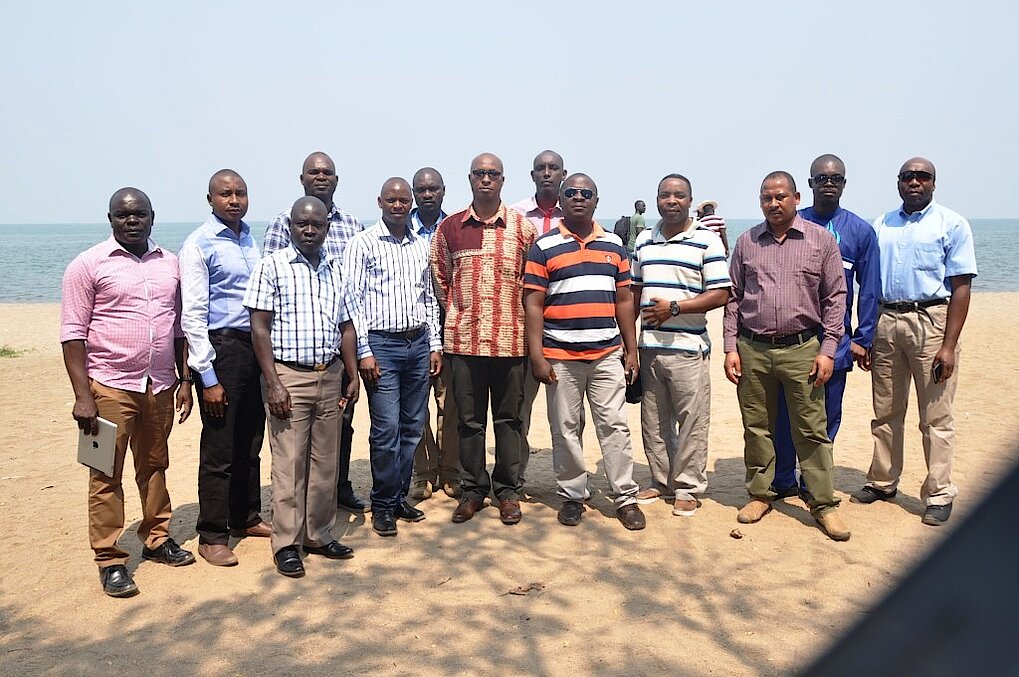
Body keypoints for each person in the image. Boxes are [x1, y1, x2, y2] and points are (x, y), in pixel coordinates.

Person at [60, 187, 195, 597]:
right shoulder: (87, 265)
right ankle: (109, 558)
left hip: (159, 385)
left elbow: (179, 329)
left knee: (154, 465)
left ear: (153, 217)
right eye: (123, 215)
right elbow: (72, 335)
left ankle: (156, 538)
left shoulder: (170, 264)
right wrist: (83, 396)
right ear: (110, 219)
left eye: (139, 214)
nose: (132, 221)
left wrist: (185, 380)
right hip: (108, 387)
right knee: (104, 473)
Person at [722, 171, 851, 541]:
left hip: (803, 349)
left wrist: (828, 351)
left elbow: (835, 299)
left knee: (810, 429)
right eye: (767, 198)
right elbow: (733, 298)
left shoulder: (820, 240)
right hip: (753, 348)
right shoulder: (747, 242)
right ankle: (761, 494)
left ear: (796, 198)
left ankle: (823, 503)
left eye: (780, 196)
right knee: (757, 426)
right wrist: (730, 347)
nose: (773, 203)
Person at [852, 157, 977, 526]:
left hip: (931, 322)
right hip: (886, 321)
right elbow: (868, 283)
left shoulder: (952, 224)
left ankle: (939, 493)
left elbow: (962, 287)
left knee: (935, 416)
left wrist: (948, 345)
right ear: (898, 182)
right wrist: (867, 334)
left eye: (923, 176)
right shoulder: (881, 225)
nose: (915, 182)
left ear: (934, 183)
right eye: (908, 176)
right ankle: (882, 481)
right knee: (886, 409)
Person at [523, 174, 646, 530]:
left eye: (586, 193)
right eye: (571, 193)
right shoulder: (543, 246)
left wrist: (631, 350)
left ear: (596, 200)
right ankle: (573, 495)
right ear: (561, 200)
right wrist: (537, 356)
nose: (579, 197)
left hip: (607, 354)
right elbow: (533, 304)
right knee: (565, 429)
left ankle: (625, 497)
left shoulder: (614, 244)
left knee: (615, 426)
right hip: (560, 355)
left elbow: (625, 301)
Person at [245, 196, 360, 578]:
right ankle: (287, 543)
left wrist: (351, 373)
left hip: (329, 376)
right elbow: (259, 328)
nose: (309, 230)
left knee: (325, 464)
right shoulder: (271, 266)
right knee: (290, 464)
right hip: (288, 377)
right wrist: (274, 383)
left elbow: (346, 325)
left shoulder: (336, 269)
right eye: (302, 224)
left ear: (327, 227)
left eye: (317, 225)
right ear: (290, 226)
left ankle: (317, 534)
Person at [432, 153, 537, 525]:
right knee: (469, 423)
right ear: (470, 178)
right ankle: (473, 491)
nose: (486, 179)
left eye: (493, 173)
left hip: (511, 343)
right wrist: (461, 313)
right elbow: (441, 280)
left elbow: (533, 284)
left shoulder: (524, 229)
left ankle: (507, 491)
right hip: (465, 343)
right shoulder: (450, 228)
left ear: (503, 180)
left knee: (509, 421)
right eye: (480, 173)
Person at [263, 152, 366, 513]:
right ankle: (295, 511)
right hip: (294, 354)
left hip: (336, 351)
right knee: (294, 444)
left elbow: (355, 291)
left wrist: (355, 360)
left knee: (339, 429)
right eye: (313, 172)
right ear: (302, 178)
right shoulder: (282, 224)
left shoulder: (352, 224)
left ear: (336, 180)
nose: (321, 177)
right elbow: (271, 295)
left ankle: (337, 490)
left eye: (327, 172)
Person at [772, 155, 879, 499]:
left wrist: (863, 338)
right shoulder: (793, 222)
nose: (828, 183)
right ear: (810, 184)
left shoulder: (860, 231)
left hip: (837, 340)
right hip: (792, 337)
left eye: (835, 178)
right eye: (821, 178)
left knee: (828, 415)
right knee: (786, 413)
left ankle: (812, 481)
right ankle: (783, 478)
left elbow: (869, 288)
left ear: (844, 184)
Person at [179, 169, 270, 568]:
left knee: (251, 440)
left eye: (240, 193)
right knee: (220, 447)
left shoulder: (249, 238)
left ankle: (245, 516)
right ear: (210, 199)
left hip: (254, 348)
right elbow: (193, 316)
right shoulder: (199, 244)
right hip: (222, 350)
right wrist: (208, 377)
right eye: (225, 194)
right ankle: (212, 534)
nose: (234, 200)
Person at [346, 178, 443, 537]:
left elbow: (428, 297)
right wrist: (364, 351)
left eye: (404, 200)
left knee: (413, 427)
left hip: (417, 344)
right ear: (380, 202)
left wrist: (435, 344)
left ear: (410, 203)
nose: (398, 206)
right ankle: (383, 504)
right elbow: (353, 300)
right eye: (392, 200)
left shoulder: (420, 245)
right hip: (381, 347)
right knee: (386, 429)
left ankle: (399, 497)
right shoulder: (363, 243)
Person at [631, 174, 730, 515]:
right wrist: (628, 343)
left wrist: (674, 308)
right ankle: (661, 481)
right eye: (665, 195)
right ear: (656, 199)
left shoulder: (706, 240)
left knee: (691, 422)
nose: (671, 200)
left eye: (679, 195)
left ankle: (688, 486)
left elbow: (720, 293)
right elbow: (634, 291)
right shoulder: (644, 240)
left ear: (690, 200)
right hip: (649, 347)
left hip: (689, 348)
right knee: (654, 422)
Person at [511, 150, 568, 479]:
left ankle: (570, 482)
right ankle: (515, 478)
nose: (547, 173)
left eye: (553, 168)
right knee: (519, 409)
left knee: (566, 414)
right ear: (532, 175)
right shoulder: (515, 214)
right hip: (523, 326)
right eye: (541, 168)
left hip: (564, 327)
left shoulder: (575, 213)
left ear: (563, 173)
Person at [407, 167, 460, 501]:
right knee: (416, 407)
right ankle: (424, 474)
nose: (427, 194)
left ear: (443, 191)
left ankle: (451, 471)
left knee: (450, 404)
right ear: (414, 193)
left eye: (433, 189)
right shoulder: (401, 228)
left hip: (449, 325)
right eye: (421, 190)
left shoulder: (454, 227)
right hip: (413, 329)